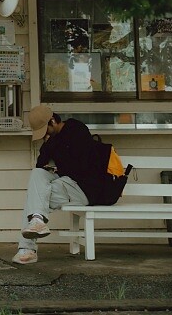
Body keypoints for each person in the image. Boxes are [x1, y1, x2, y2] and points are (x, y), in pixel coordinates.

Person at [13, 104, 110, 266]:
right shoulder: (53, 140)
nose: (45, 135)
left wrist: (56, 158)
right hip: (66, 184)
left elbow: (81, 167)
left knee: (35, 198)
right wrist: (48, 145)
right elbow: (40, 164)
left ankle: (27, 248)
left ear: (52, 121)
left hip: (84, 189)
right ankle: (37, 220)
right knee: (37, 174)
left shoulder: (77, 130)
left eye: (45, 131)